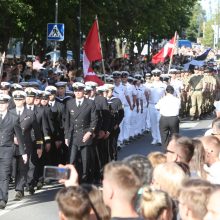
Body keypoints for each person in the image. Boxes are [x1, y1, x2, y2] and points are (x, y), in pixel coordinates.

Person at [64, 82, 98, 182]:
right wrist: (66, 136)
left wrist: (90, 132)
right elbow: (67, 121)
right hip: (73, 134)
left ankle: (85, 179)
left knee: (85, 160)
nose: (78, 93)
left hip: (85, 134)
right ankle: (71, 180)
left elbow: (94, 120)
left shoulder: (90, 103)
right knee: (72, 159)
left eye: (79, 91)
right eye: (76, 91)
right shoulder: (69, 103)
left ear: (83, 91)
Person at [0, 94, 26, 209]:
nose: (1, 105)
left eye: (3, 103)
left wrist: (23, 153)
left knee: (4, 175)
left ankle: (2, 199)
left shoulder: (13, 118)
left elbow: (19, 137)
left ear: (7, 104)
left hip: (6, 150)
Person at [146, 69, 166, 145]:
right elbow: (146, 95)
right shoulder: (149, 85)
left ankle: (160, 138)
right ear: (153, 76)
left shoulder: (163, 85)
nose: (156, 77)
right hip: (151, 104)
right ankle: (155, 138)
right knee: (153, 122)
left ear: (159, 76)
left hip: (160, 105)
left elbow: (165, 95)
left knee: (159, 122)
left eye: (157, 75)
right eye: (155, 75)